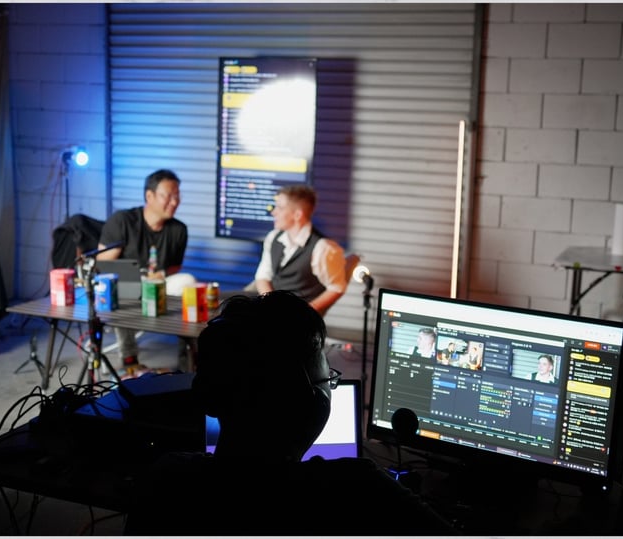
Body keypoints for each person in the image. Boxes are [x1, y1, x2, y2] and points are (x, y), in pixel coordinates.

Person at [124, 291, 454, 535]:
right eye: (327, 380)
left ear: (208, 394)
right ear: (309, 398)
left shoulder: (166, 479)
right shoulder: (358, 489)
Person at [96, 169, 188, 370]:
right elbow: (101, 264)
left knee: (188, 282)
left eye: (177, 196)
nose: (174, 202)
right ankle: (130, 362)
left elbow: (176, 267)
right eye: (168, 196)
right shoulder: (122, 220)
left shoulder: (179, 230)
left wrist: (160, 275)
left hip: (160, 284)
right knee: (120, 290)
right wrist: (117, 252)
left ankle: (187, 363)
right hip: (128, 285)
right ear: (150, 196)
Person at [254, 184, 347, 316]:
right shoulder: (273, 236)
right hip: (271, 305)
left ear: (297, 215)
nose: (273, 212)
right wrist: (271, 306)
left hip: (296, 315)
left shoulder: (323, 248)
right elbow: (263, 277)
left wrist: (304, 314)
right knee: (227, 307)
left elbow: (336, 288)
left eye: (279, 207)